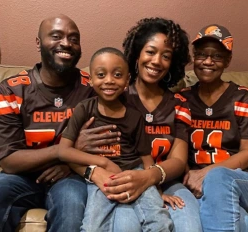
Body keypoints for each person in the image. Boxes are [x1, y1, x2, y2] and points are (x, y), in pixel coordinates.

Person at [0, 14, 117, 232]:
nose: (66, 43)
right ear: (38, 42)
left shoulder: (92, 89)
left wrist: (67, 163)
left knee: (72, 206)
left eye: (73, 38)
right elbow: (9, 161)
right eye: (56, 36)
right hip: (20, 178)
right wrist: (65, 151)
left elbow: (101, 145)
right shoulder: (11, 89)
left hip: (70, 175)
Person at [75, 18, 202, 232]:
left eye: (166, 56)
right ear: (137, 54)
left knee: (190, 227)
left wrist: (148, 178)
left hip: (168, 182)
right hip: (124, 179)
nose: (156, 61)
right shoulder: (114, 97)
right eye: (150, 52)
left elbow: (179, 161)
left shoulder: (179, 104)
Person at [58, 47, 174, 232]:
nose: (109, 81)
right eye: (101, 74)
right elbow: (63, 151)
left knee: (160, 221)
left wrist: (156, 189)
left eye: (117, 75)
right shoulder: (84, 109)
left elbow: (146, 159)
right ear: (91, 79)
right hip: (100, 177)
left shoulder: (135, 117)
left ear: (127, 80)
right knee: (92, 227)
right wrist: (102, 162)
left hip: (133, 174)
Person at [181, 24, 248, 232]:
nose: (208, 61)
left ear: (227, 61)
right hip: (196, 182)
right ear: (194, 58)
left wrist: (207, 173)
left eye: (217, 56)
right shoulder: (182, 99)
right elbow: (175, 147)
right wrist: (189, 175)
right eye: (201, 55)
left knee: (218, 177)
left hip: (242, 180)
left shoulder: (243, 97)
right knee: (243, 223)